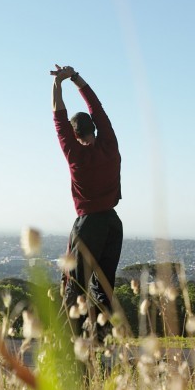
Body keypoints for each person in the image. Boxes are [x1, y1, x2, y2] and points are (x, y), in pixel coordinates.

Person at [51, 64, 123, 341]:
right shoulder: (110, 145)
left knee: (75, 286)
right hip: (112, 224)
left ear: (74, 135)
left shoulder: (75, 156)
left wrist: (57, 84)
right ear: (94, 129)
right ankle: (100, 341)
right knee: (104, 288)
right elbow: (97, 108)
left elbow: (58, 117)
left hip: (88, 225)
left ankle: (67, 341)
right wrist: (76, 79)